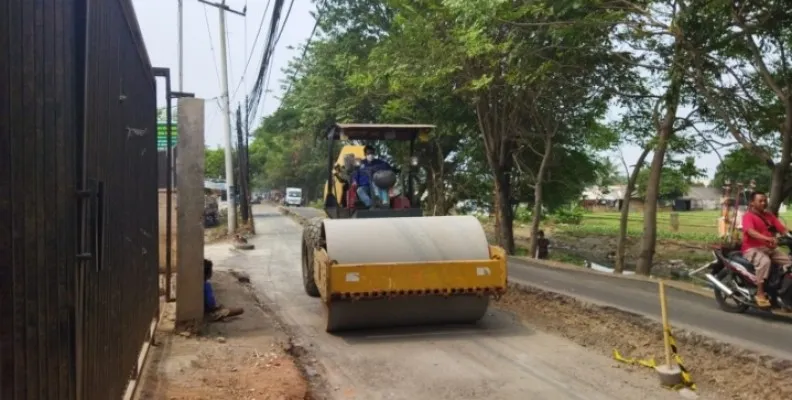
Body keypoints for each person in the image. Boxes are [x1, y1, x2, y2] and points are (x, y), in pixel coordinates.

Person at [741, 191, 792, 307]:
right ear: (752, 203)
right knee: (765, 262)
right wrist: (767, 238)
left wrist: (788, 234)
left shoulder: (769, 216)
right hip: (752, 248)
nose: (764, 203)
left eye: (765, 200)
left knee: (789, 262)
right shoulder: (748, 216)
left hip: (769, 248)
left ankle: (782, 292)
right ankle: (760, 293)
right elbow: (750, 231)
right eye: (760, 201)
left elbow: (782, 229)